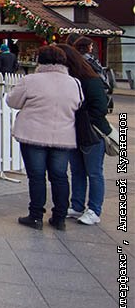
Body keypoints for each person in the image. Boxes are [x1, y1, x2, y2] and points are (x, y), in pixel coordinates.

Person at [4, 45, 80, 230]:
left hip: (33, 134)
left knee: (37, 176)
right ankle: (59, 218)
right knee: (60, 176)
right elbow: (78, 104)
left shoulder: (31, 80)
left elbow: (12, 101)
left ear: (40, 60)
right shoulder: (74, 83)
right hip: (62, 136)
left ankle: (36, 215)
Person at [58, 43, 111, 226]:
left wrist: (84, 120)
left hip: (92, 133)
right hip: (74, 131)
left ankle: (94, 210)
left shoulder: (90, 79)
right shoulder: (70, 80)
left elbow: (101, 108)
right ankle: (77, 205)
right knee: (77, 171)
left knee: (94, 172)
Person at [74, 36, 116, 113]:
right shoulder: (86, 59)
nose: (92, 48)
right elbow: (97, 71)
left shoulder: (88, 58)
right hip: (91, 88)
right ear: (85, 46)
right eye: (91, 45)